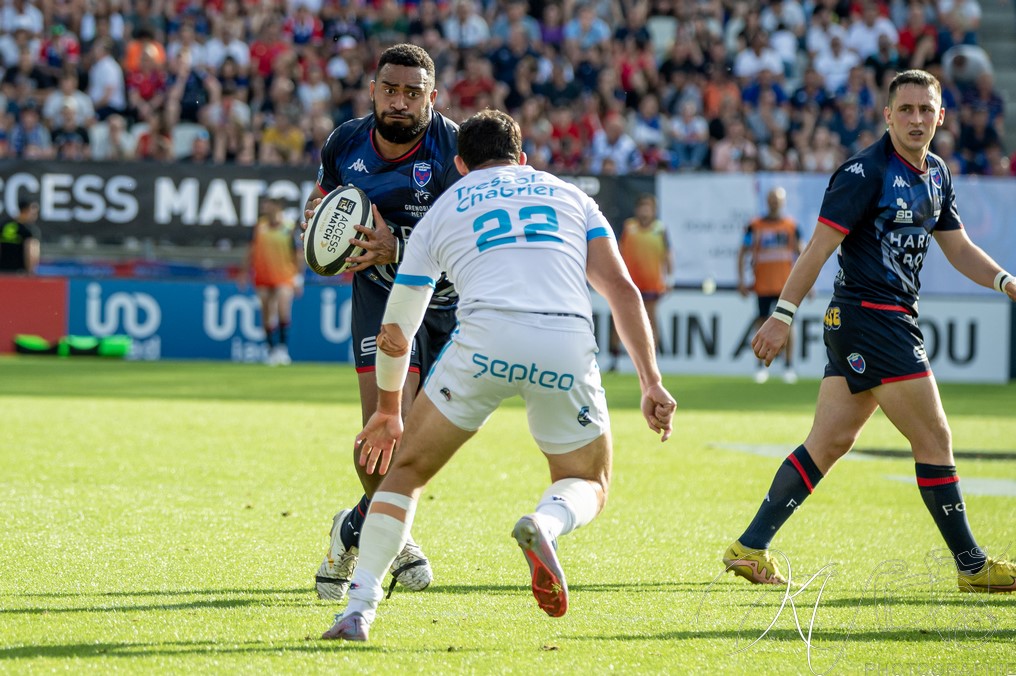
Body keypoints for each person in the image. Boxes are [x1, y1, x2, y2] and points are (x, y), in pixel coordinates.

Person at [320, 109, 677, 642]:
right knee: (588, 481)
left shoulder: (444, 208)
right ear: (523, 158)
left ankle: (358, 610)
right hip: (565, 342)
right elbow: (623, 290)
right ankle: (546, 523)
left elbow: (396, 330)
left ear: (461, 165)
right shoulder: (572, 196)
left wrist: (390, 410)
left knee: (405, 473)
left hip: (485, 341)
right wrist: (651, 381)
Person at [723, 70, 1016, 593]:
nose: (916, 119)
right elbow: (818, 249)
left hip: (868, 322)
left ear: (941, 116)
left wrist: (1004, 281)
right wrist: (782, 315)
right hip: (874, 319)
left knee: (829, 442)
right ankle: (972, 566)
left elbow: (958, 247)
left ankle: (749, 547)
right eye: (905, 110)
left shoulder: (937, 173)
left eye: (925, 110)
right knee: (934, 437)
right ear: (887, 116)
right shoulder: (864, 172)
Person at [304, 43, 460, 603]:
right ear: (372, 90)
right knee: (380, 432)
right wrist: (317, 224)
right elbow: (323, 201)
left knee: (422, 442)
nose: (399, 102)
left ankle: (356, 526)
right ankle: (392, 535)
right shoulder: (345, 143)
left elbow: (472, 240)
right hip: (380, 297)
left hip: (450, 304)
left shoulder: (455, 150)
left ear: (431, 97)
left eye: (412, 93)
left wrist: (400, 246)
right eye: (390, 90)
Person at [737, 186, 804, 384]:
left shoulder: (791, 226)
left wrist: (807, 284)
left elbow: (802, 254)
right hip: (763, 284)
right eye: (772, 199)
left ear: (783, 202)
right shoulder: (754, 226)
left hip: (786, 286)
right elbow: (742, 251)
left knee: (789, 325)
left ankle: (789, 366)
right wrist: (741, 280)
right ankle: (760, 365)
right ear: (767, 201)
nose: (774, 202)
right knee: (761, 323)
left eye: (778, 199)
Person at [608, 193, 671, 371]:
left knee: (651, 321)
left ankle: (653, 362)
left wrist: (669, 278)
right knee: (620, 319)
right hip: (629, 283)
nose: (645, 211)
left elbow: (668, 255)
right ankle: (615, 360)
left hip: (651, 283)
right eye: (642, 207)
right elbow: (618, 250)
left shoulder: (660, 229)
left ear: (654, 210)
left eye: (648, 207)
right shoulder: (629, 227)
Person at [245, 195, 301, 366]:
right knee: (266, 313)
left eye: (268, 205)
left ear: (277, 207)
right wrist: (244, 272)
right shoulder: (259, 227)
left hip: (284, 275)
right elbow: (251, 250)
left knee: (283, 309)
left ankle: (282, 349)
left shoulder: (288, 227)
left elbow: (297, 254)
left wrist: (298, 277)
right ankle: (271, 350)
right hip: (263, 275)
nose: (264, 208)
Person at [0, 196, 40, 274]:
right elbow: (31, 253)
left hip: (2, 272)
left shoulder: (3, 225)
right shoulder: (28, 230)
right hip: (19, 273)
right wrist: (30, 272)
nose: (35, 216)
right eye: (34, 213)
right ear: (26, 210)